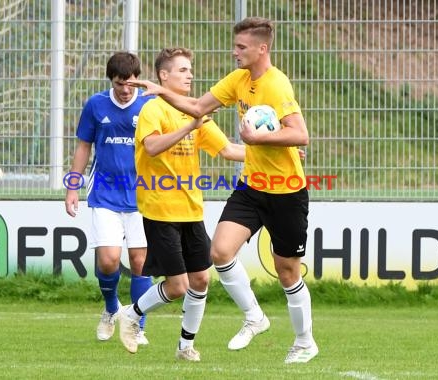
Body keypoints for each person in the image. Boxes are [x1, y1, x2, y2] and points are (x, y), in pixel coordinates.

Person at [128, 17, 318, 364]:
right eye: (235, 46)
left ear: (262, 49)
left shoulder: (276, 86)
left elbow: (300, 134)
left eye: (241, 47)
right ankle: (254, 317)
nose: (234, 52)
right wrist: (162, 92)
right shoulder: (239, 80)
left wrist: (260, 138)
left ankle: (305, 342)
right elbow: (199, 108)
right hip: (251, 187)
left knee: (287, 269)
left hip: (288, 191)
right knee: (220, 251)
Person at [117, 47, 245, 361]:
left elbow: (228, 149)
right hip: (160, 209)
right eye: (183, 70)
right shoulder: (153, 109)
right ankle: (131, 315)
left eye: (190, 70)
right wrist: (190, 126)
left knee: (201, 279)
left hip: (191, 210)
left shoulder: (193, 108)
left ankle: (185, 346)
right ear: (164, 76)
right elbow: (151, 148)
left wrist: (275, 153)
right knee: (176, 287)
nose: (190, 75)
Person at [65, 52, 153, 345]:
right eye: (119, 84)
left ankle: (137, 325)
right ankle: (111, 308)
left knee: (140, 261)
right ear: (111, 81)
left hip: (144, 195)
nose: (125, 90)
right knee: (108, 260)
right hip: (105, 193)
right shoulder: (96, 104)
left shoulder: (151, 104)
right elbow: (83, 147)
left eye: (130, 84)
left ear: (137, 79)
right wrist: (72, 187)